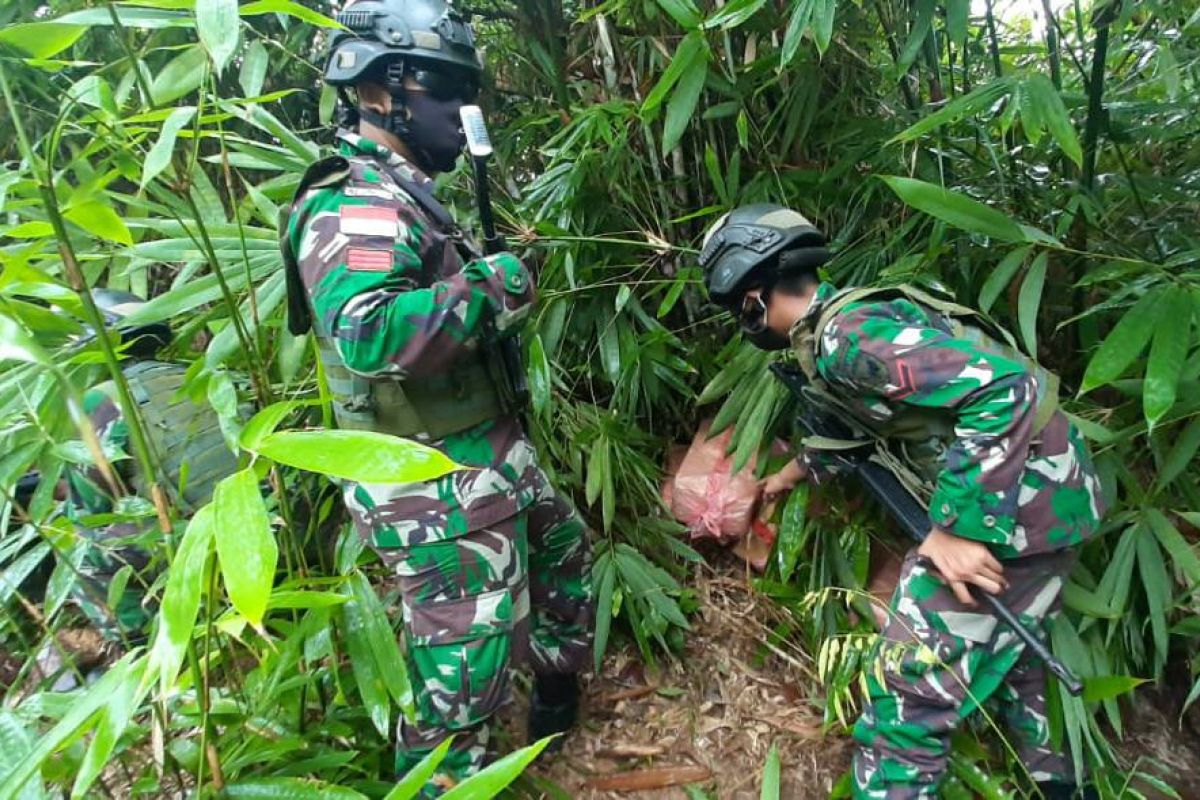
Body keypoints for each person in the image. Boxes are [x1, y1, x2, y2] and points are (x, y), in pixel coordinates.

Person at [279, 0, 593, 793]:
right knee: (462, 679)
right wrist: (498, 283)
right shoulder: (356, 199)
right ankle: (447, 779)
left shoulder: (402, 190)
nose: (464, 115)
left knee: (565, 558)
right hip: (432, 484)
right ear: (383, 91)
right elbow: (372, 333)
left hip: (481, 455)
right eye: (447, 95)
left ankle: (552, 714)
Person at [699, 204, 1106, 799]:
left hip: (1016, 511)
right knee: (1018, 663)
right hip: (1051, 500)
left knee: (905, 699)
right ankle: (1063, 787)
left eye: (740, 308)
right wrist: (785, 477)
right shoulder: (842, 329)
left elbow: (1002, 390)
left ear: (753, 294)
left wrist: (960, 529)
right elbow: (865, 427)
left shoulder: (847, 337)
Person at [63, 289, 239, 647]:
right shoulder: (201, 374)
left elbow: (89, 509)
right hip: (267, 524)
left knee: (81, 544)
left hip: (206, 545)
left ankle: (136, 643)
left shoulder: (102, 400)